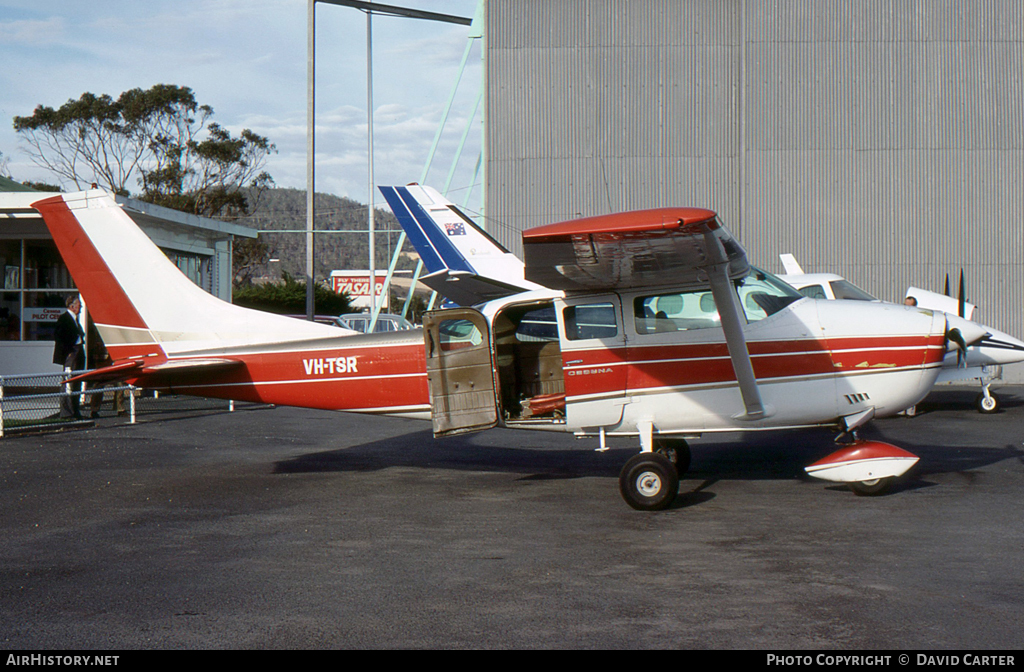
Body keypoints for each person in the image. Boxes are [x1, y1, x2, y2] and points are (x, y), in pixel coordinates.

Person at [53, 295, 85, 419]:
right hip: (71, 354)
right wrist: (69, 351)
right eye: (78, 305)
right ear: (72, 306)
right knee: (68, 383)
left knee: (77, 382)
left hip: (78, 353)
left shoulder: (75, 320)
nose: (81, 307)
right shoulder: (64, 319)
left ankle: (75, 411)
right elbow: (59, 337)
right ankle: (66, 412)